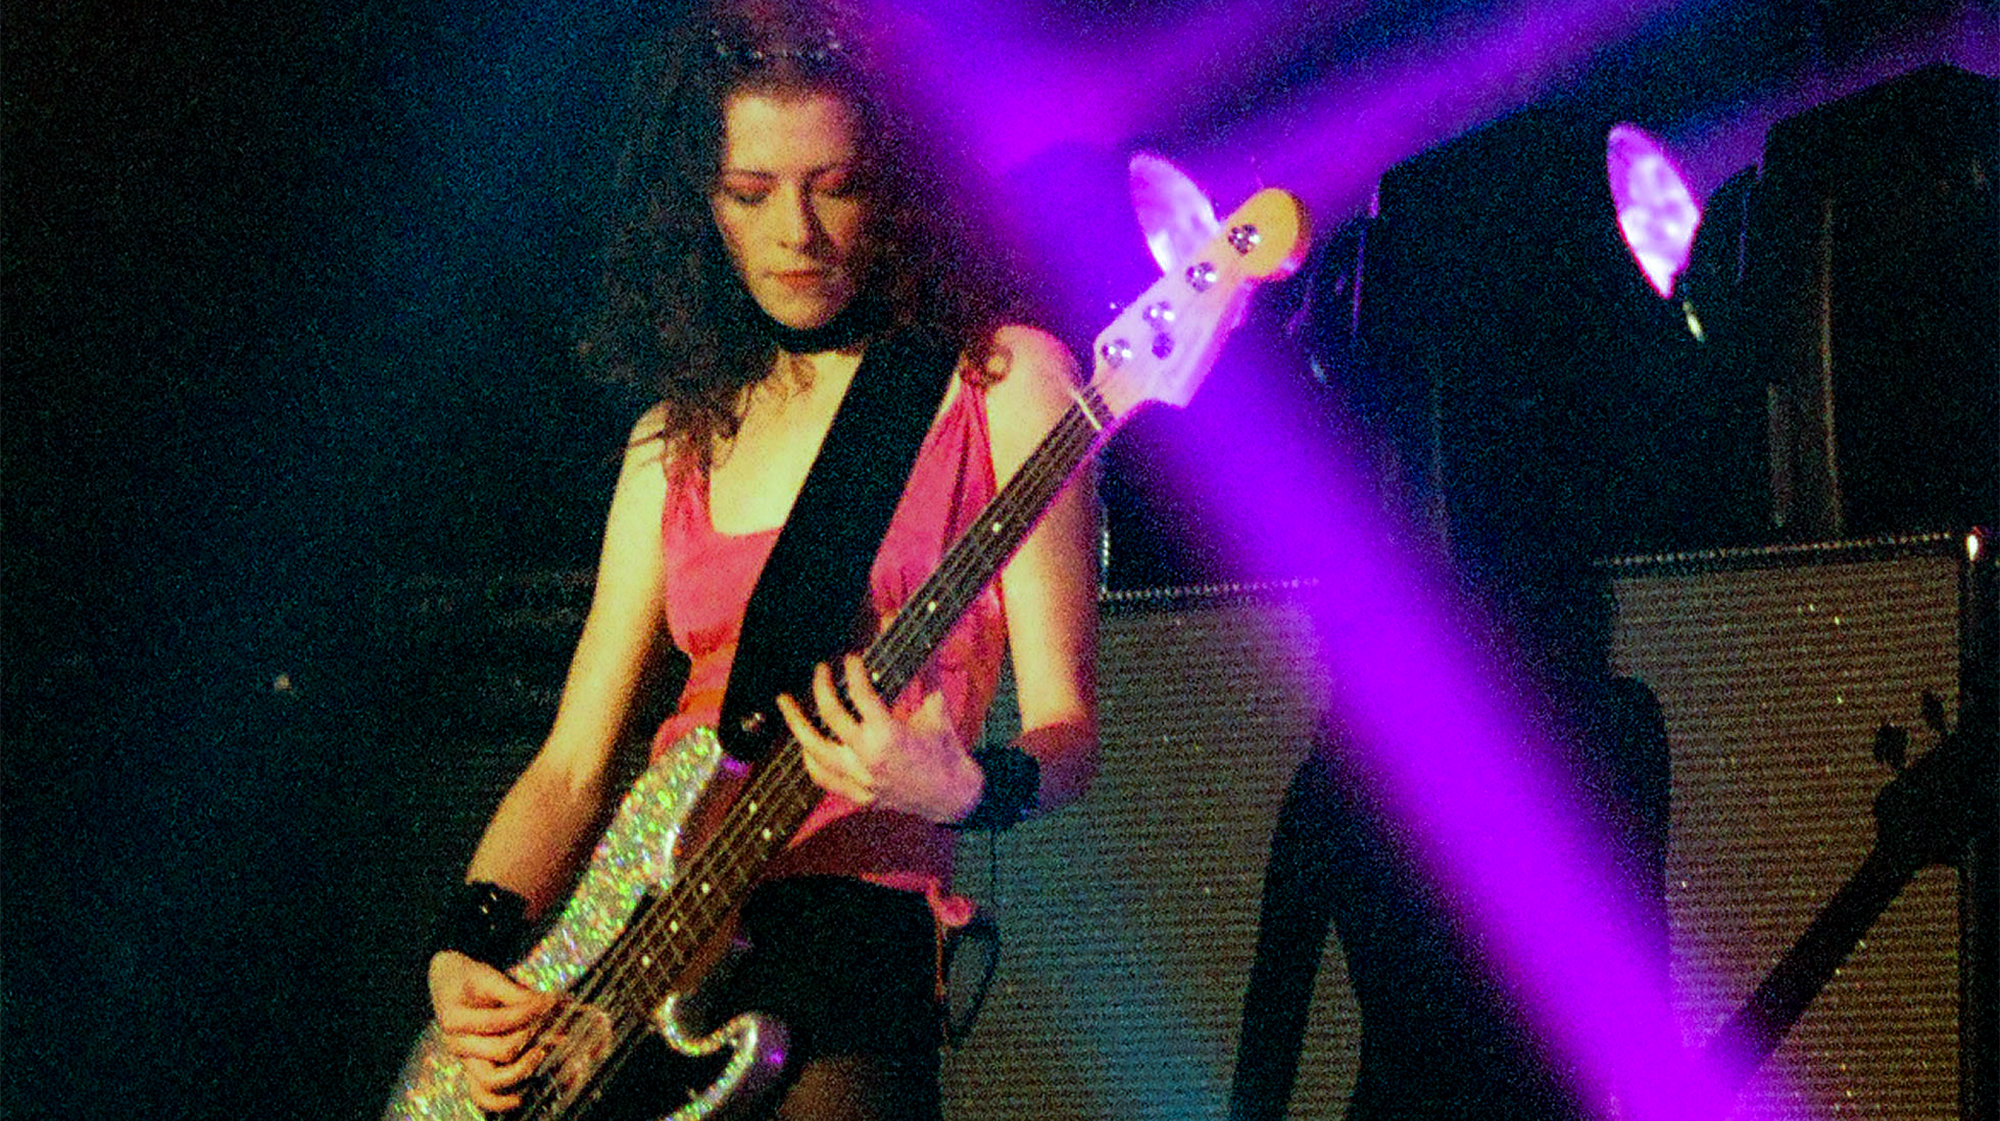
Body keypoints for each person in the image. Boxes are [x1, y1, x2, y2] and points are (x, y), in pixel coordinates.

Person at [421, 2, 1100, 1117]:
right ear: (700, 205)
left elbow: (1068, 733)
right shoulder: (674, 436)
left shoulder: (999, 381)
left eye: (834, 184)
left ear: (897, 184)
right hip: (633, 956)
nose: (798, 231)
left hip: (849, 934)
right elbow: (570, 769)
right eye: (749, 193)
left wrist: (973, 786)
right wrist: (470, 939)